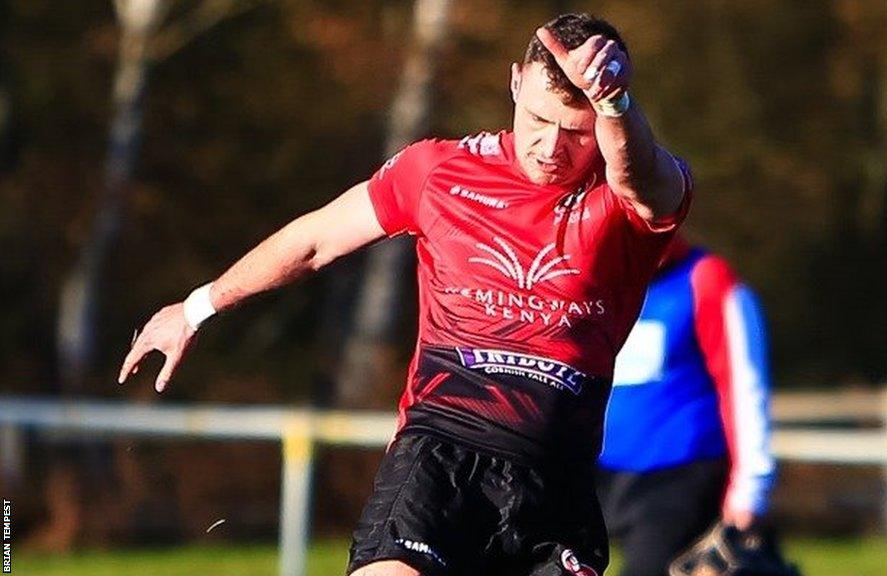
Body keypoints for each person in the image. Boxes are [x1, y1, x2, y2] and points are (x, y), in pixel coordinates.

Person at [120, 13, 693, 576]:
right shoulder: (436, 171)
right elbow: (317, 239)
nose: (550, 146)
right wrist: (199, 306)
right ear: (515, 81)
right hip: (439, 457)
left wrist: (614, 105)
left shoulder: (628, 198)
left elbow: (640, 178)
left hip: (557, 485)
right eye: (538, 119)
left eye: (575, 130)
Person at [596, 238, 776, 576]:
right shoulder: (596, 279)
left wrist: (751, 488)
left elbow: (744, 385)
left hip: (678, 473)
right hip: (598, 470)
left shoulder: (705, 278)